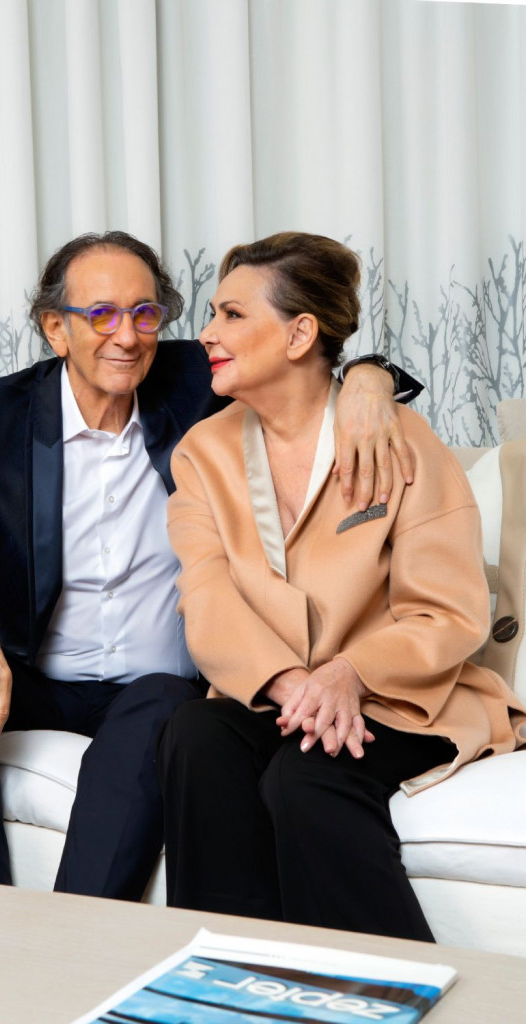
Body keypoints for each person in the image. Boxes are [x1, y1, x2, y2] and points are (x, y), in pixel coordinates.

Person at [0, 230, 418, 901]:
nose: (127, 337)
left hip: (154, 690)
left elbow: (294, 354)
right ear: (55, 329)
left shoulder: (197, 383)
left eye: (145, 314)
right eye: (101, 315)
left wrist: (370, 378)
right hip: (24, 679)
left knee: (168, 707)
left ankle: (81, 933)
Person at [159, 231, 526, 938]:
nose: (207, 332)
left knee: (304, 777)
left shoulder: (400, 439)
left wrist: (348, 674)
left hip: (403, 697)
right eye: (212, 313)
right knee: (196, 734)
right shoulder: (202, 453)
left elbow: (448, 612)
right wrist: (295, 685)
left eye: (231, 314)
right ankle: (232, 972)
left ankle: (393, 984)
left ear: (299, 334)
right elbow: (206, 598)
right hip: (278, 692)